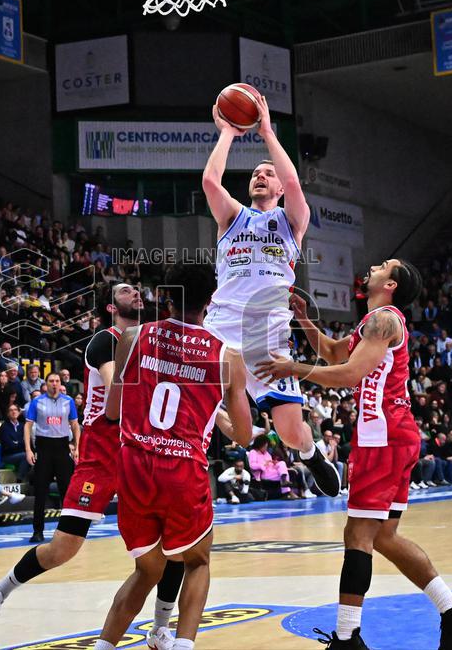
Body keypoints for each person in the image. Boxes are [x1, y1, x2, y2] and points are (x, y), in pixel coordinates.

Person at [255, 259, 452, 649]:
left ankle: (347, 637)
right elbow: (330, 352)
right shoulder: (372, 323)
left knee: (358, 533)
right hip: (393, 434)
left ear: (390, 284)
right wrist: (305, 320)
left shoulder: (385, 321)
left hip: (383, 435)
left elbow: (348, 374)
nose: (374, 266)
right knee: (385, 536)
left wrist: (293, 367)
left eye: (384, 265)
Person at [0, 284, 185, 649]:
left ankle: (161, 626)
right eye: (126, 290)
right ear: (110, 305)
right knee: (62, 549)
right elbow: (120, 390)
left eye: (137, 289)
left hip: (140, 453)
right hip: (101, 454)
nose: (135, 293)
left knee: (173, 544)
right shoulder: (105, 339)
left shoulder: (151, 345)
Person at [94, 264, 253, 650]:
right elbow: (245, 435)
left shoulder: (133, 336)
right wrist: (211, 408)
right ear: (211, 301)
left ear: (165, 296)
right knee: (196, 561)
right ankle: (181, 644)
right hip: (183, 468)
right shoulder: (227, 357)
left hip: (134, 464)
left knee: (146, 569)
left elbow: (113, 412)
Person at [201, 101, 339, 499]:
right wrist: (228, 131)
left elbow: (296, 185)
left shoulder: (292, 220)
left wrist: (266, 132)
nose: (261, 176)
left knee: (291, 432)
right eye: (256, 173)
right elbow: (211, 182)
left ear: (280, 188)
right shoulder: (233, 217)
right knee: (190, 402)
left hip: (268, 332)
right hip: (222, 326)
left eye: (269, 174)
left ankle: (312, 455)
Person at [19, 372, 80, 543]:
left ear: (61, 384)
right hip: (43, 448)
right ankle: (38, 531)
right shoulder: (37, 401)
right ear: (45, 384)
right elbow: (28, 425)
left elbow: (75, 425)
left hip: (62, 448)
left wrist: (77, 447)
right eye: (51, 381)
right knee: (40, 492)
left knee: (66, 492)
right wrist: (28, 450)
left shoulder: (68, 401)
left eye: (57, 381)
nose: (54, 384)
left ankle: (68, 531)